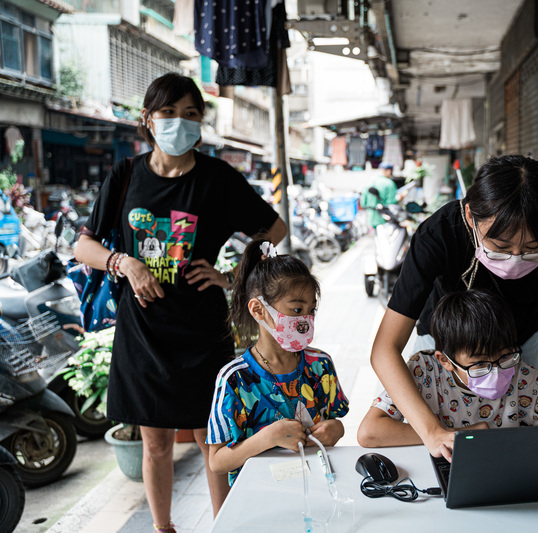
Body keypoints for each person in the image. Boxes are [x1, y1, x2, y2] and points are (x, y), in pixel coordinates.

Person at [73, 73, 288, 533]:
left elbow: (273, 230)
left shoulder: (217, 179)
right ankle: (163, 528)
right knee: (155, 443)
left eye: (191, 114)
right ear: (147, 120)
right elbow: (82, 246)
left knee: (213, 438)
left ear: (201, 123)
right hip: (143, 332)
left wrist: (232, 276)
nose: (178, 123)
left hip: (202, 331)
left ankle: (223, 524)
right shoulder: (125, 174)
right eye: (168, 113)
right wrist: (125, 263)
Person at [369, 155, 538, 460]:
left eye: (533, 249)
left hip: (516, 355)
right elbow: (385, 348)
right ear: (471, 217)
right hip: (445, 349)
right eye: (501, 247)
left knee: (522, 451)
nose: (516, 258)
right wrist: (431, 431)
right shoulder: (440, 234)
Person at [357, 289, 538, 447]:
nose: (497, 371)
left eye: (504, 357)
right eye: (479, 364)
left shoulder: (521, 377)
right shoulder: (422, 371)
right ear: (445, 360)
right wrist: (460, 434)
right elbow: (370, 432)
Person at [206, 239, 349, 485]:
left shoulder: (320, 365)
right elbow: (217, 462)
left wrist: (336, 429)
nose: (305, 319)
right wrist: (268, 438)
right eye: (296, 310)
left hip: (317, 483)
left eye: (311, 310)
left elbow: (335, 422)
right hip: (259, 492)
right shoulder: (234, 379)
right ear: (258, 310)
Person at [360, 162, 398, 228]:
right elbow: (391, 202)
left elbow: (363, 203)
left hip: (370, 217)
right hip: (383, 219)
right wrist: (399, 198)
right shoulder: (389, 183)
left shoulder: (370, 181)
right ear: (389, 171)